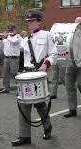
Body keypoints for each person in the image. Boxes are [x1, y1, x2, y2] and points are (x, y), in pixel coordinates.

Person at [11, 9, 57, 146]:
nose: (29, 24)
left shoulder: (47, 35)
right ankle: (25, 136)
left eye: (32, 21)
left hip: (39, 73)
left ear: (38, 22)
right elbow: (24, 58)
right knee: (23, 104)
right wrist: (21, 72)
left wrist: (46, 64)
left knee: (40, 104)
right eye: (28, 22)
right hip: (27, 74)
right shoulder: (25, 40)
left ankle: (47, 127)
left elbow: (54, 53)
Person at [0, 23, 22, 93]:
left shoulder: (18, 37)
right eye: (9, 30)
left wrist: (7, 37)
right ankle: (6, 88)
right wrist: (0, 38)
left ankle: (20, 88)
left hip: (14, 58)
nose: (10, 31)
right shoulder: (7, 38)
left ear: (15, 30)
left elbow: (14, 42)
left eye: (11, 30)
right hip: (6, 58)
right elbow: (1, 46)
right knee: (5, 74)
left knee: (14, 73)